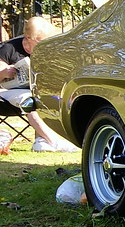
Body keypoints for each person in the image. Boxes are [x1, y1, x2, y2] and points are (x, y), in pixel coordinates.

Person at [0, 17, 77, 152]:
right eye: (40, 40)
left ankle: (40, 141)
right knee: (29, 99)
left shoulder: (46, 51)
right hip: (6, 93)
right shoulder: (9, 48)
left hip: (35, 90)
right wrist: (5, 72)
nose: (44, 43)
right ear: (28, 37)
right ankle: (52, 141)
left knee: (52, 97)